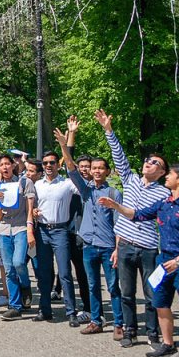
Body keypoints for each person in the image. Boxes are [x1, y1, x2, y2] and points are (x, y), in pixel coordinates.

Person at [99, 163, 179, 357]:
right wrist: (116, 206)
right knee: (160, 303)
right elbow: (137, 214)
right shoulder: (164, 203)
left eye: (171, 175)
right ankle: (168, 344)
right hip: (163, 262)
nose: (167, 177)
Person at [95, 109, 169, 348]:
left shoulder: (164, 193)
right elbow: (119, 158)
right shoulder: (131, 180)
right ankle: (130, 331)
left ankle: (153, 333)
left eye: (154, 163)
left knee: (150, 293)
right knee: (126, 293)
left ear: (162, 172)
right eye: (148, 160)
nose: (148, 163)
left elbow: (146, 217)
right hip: (125, 246)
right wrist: (108, 131)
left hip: (147, 248)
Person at [55, 118, 123, 337]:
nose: (96, 171)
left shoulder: (113, 193)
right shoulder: (86, 191)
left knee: (112, 287)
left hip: (107, 246)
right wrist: (65, 146)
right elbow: (71, 170)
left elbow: (120, 225)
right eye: (94, 168)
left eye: (101, 168)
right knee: (93, 285)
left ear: (107, 171)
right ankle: (96, 320)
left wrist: (117, 249)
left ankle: (120, 324)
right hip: (89, 245)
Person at [31, 147, 80, 326]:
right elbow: (31, 206)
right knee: (44, 273)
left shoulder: (67, 183)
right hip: (42, 231)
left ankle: (71, 312)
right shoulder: (37, 185)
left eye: (52, 162)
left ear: (57, 164)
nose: (48, 166)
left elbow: (81, 185)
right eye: (45, 163)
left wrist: (66, 147)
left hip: (60, 230)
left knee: (65, 273)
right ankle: (45, 310)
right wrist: (34, 211)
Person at [0, 151, 36, 321]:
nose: (5, 167)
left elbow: (30, 209)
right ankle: (15, 305)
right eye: (1, 165)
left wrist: (30, 229)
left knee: (19, 263)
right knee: (9, 268)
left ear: (13, 165)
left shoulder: (24, 182)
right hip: (4, 229)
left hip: (21, 228)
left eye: (7, 164)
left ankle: (26, 286)